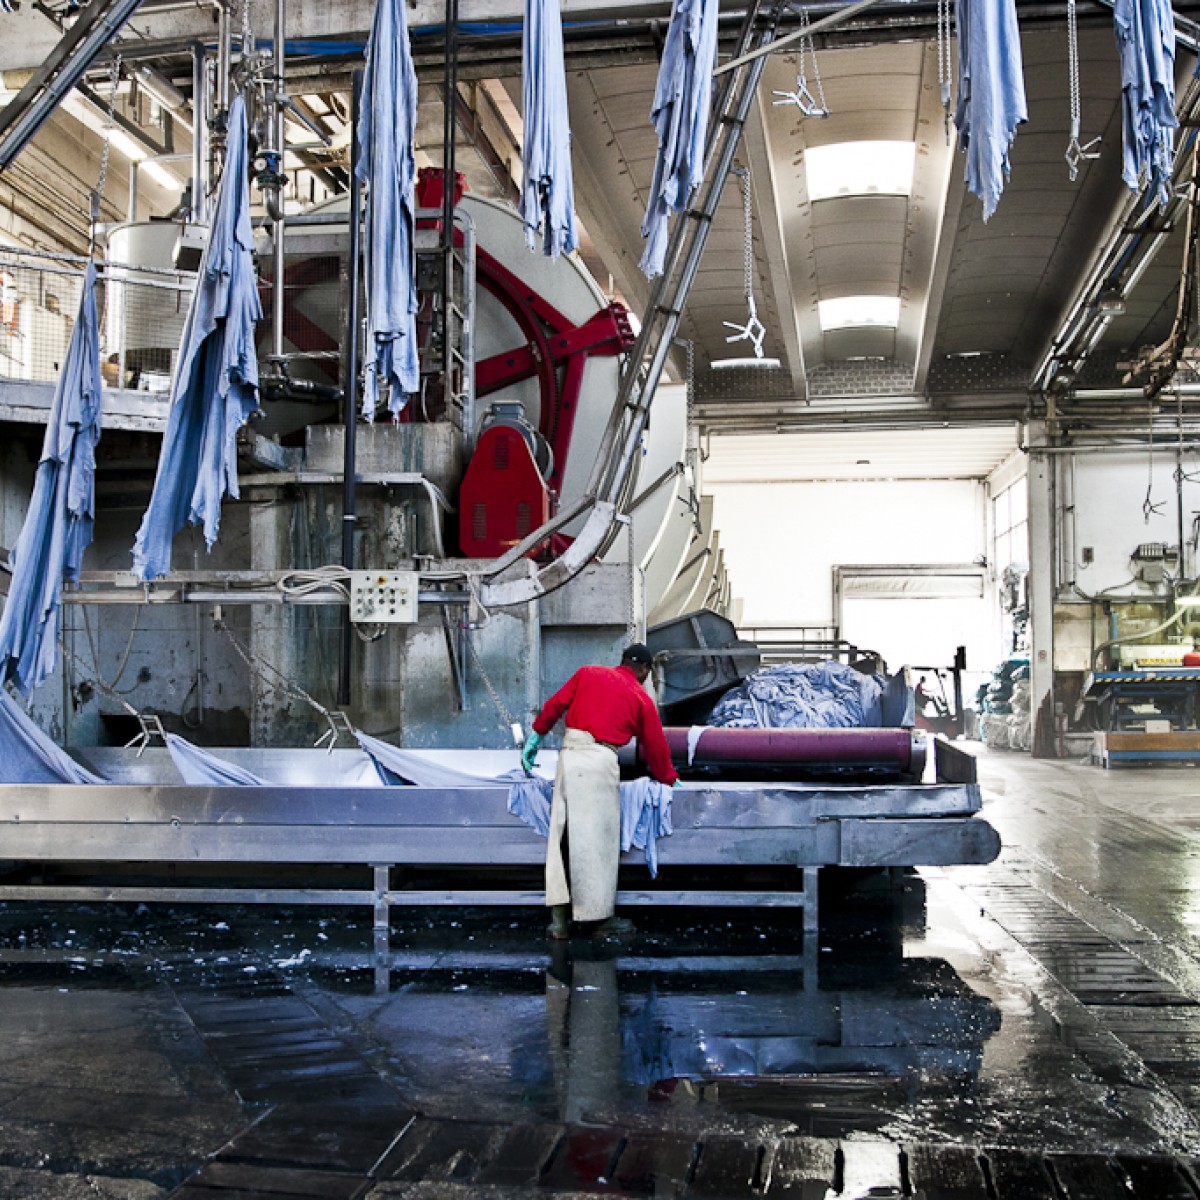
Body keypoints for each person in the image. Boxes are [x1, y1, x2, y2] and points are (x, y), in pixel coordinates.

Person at [521, 643, 679, 939]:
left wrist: (535, 738)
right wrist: (671, 780)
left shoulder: (587, 673)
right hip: (599, 764)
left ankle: (558, 922)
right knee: (597, 846)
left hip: (569, 757)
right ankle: (598, 919)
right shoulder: (640, 698)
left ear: (622, 660)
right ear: (644, 670)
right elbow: (656, 748)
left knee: (562, 837)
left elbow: (554, 705)